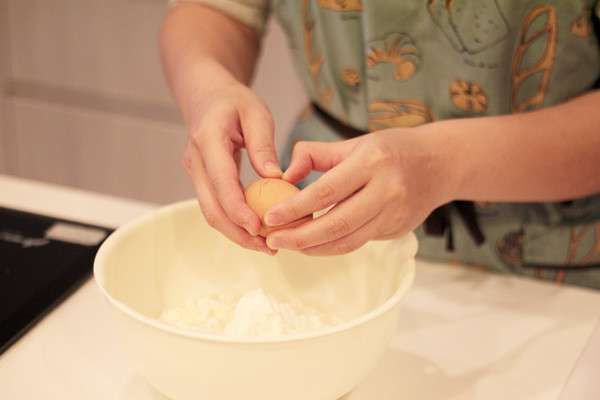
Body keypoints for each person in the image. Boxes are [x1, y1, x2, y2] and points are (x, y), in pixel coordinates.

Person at [160, 0, 600, 289]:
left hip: (552, 253)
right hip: (326, 212)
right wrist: (207, 84)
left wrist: (444, 163)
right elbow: (215, 8)